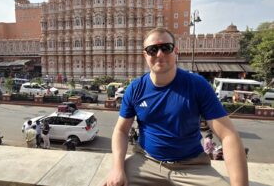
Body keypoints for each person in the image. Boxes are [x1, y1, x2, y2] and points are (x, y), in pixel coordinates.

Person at [103, 28, 248, 186]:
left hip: (192, 166)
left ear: (175, 51)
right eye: (152, 50)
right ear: (145, 55)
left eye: (166, 48)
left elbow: (228, 135)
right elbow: (121, 130)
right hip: (146, 161)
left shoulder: (197, 85)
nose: (159, 54)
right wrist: (117, 168)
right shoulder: (135, 89)